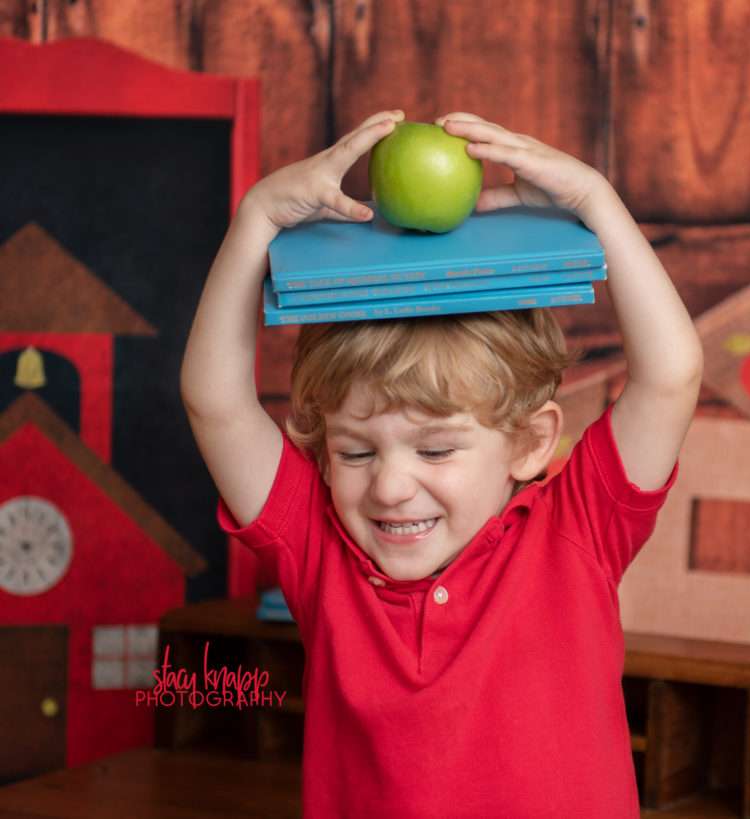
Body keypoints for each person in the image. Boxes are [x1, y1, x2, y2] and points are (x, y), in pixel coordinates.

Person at [180, 108, 703, 818]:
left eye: (435, 449)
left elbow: (670, 374)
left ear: (528, 442)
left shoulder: (578, 533)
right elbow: (215, 402)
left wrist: (595, 204)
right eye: (356, 450)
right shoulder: (319, 549)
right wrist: (254, 223)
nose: (391, 486)